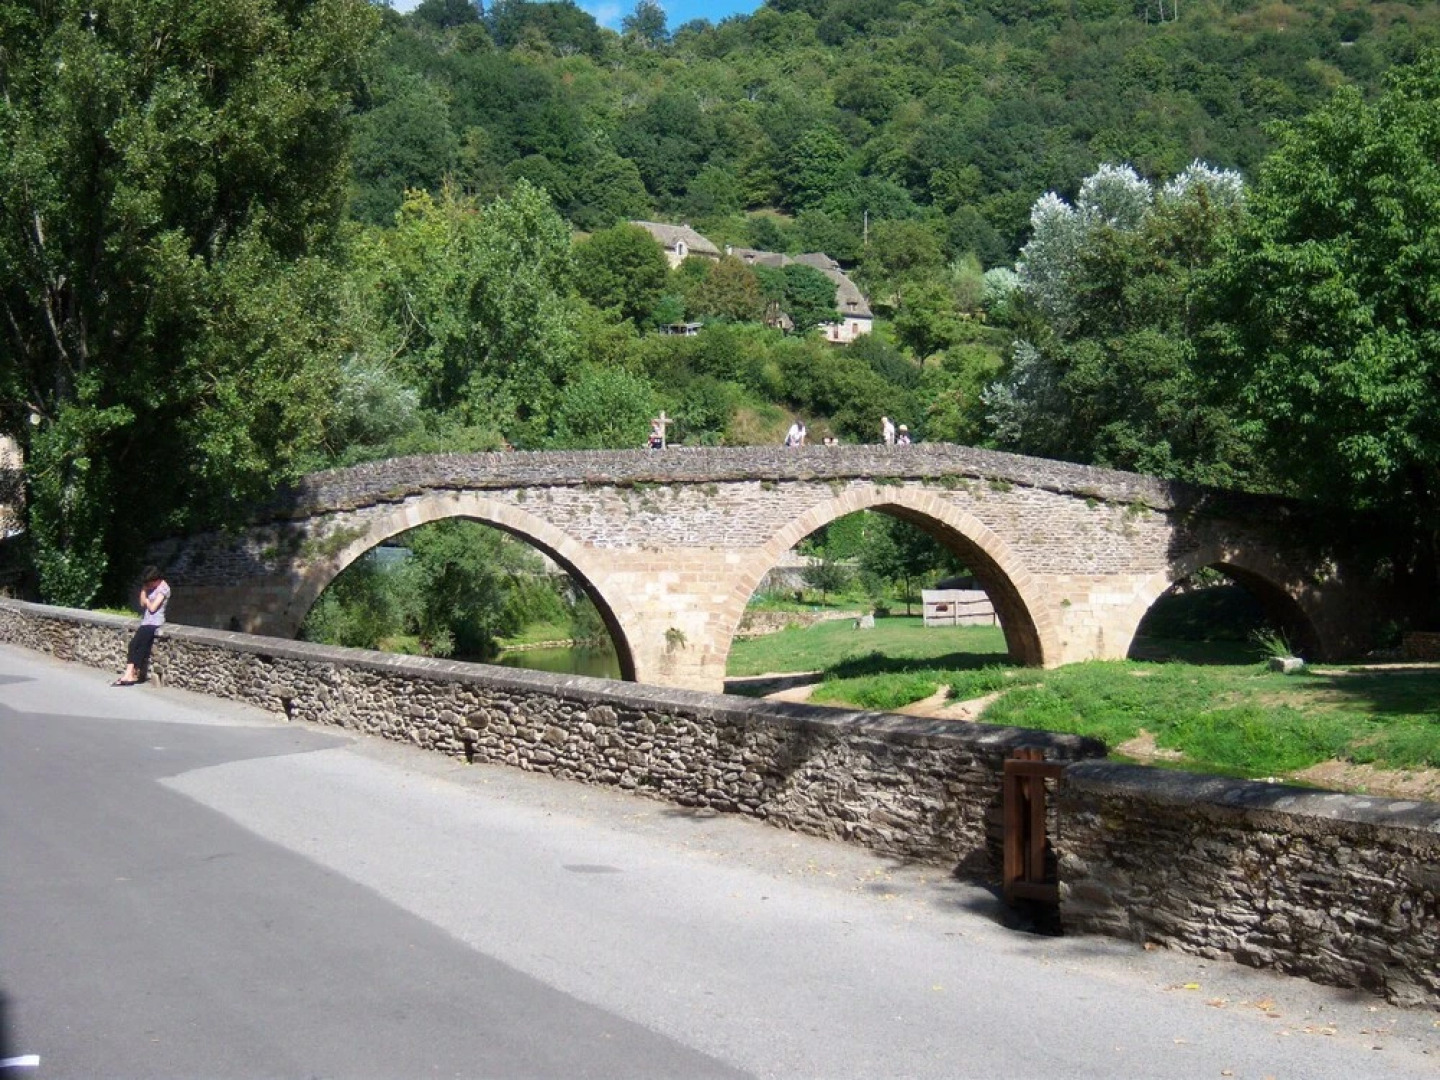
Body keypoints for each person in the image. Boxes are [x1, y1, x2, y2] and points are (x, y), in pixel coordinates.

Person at [113, 566, 169, 686]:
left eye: (150, 583)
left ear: (156, 580)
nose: (150, 585)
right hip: (146, 621)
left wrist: (148, 600)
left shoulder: (164, 588)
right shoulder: (150, 587)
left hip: (154, 622)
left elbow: (152, 608)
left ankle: (131, 674)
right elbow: (142, 603)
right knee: (133, 644)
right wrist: (144, 590)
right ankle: (128, 674)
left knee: (141, 647)